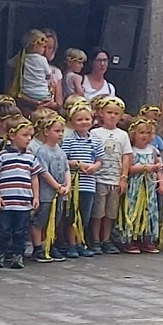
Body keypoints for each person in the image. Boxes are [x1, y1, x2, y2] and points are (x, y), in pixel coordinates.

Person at [0, 117, 42, 270]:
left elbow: (34, 178)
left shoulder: (30, 157)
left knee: (20, 231)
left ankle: (17, 256)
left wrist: (36, 196)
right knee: (3, 230)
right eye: (24, 135)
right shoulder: (2, 156)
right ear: (12, 136)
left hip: (24, 202)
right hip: (6, 201)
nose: (28, 139)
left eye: (30, 136)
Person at [89, 97, 132, 254]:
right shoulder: (94, 133)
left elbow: (126, 157)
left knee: (110, 212)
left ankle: (106, 239)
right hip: (99, 178)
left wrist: (123, 177)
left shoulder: (123, 135)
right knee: (98, 212)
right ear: (101, 114)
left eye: (116, 113)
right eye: (109, 113)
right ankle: (95, 239)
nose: (112, 116)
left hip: (114, 179)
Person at [60, 102, 103, 259]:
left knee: (84, 215)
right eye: (79, 120)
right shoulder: (69, 140)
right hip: (74, 183)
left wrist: (95, 167)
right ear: (72, 121)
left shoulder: (96, 140)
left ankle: (81, 242)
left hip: (89, 183)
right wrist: (78, 164)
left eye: (87, 119)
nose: (84, 122)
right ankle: (71, 244)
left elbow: (100, 159)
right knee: (72, 214)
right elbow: (64, 159)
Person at [28, 113, 69, 262]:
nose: (60, 134)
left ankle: (50, 245)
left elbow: (66, 170)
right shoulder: (42, 151)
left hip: (60, 194)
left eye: (62, 131)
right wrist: (57, 186)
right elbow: (43, 172)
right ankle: (38, 248)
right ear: (46, 132)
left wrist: (67, 186)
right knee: (41, 220)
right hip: (47, 193)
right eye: (57, 131)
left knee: (55, 220)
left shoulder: (61, 151)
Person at [122, 118, 163, 254]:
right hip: (135, 186)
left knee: (149, 210)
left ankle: (147, 238)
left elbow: (159, 168)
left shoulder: (153, 150)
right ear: (133, 134)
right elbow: (129, 168)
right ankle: (132, 239)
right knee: (134, 210)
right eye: (141, 132)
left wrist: (161, 182)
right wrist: (147, 167)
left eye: (148, 132)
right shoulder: (131, 151)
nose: (144, 135)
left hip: (149, 187)